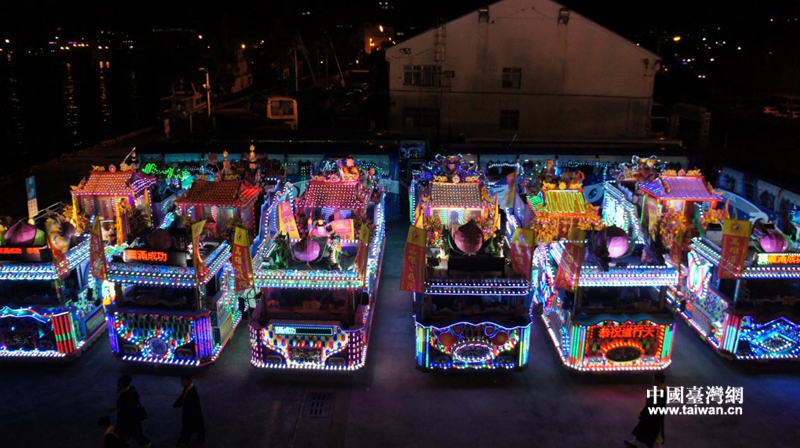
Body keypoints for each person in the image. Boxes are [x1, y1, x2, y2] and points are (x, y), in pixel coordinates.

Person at [625, 372, 667, 448]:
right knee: (642, 428)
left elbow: (654, 403)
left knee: (656, 433)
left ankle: (658, 446)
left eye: (654, 379)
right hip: (652, 414)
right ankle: (634, 442)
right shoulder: (660, 388)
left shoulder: (662, 391)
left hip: (654, 415)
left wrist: (644, 412)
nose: (653, 380)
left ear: (658, 380)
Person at [110, 374, 153, 448]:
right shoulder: (132, 389)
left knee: (130, 434)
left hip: (127, 420)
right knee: (137, 435)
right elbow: (136, 399)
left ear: (121, 384)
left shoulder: (124, 396)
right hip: (134, 418)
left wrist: (115, 409)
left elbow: (125, 409)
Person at [174, 375, 205, 447]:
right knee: (197, 427)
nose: (182, 383)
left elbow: (185, 398)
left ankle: (183, 442)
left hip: (191, 414)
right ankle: (198, 439)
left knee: (187, 428)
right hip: (192, 413)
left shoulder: (191, 391)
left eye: (183, 382)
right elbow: (183, 396)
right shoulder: (190, 388)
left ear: (188, 381)